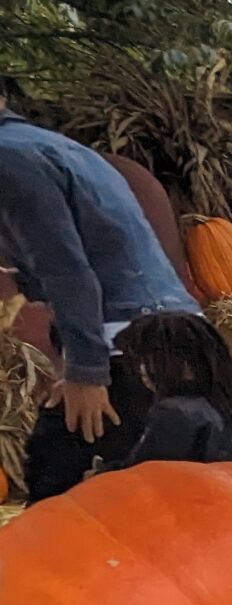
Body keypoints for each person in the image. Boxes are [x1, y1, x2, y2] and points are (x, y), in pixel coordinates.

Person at [1, 105, 201, 501]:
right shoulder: (53, 147)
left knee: (56, 486)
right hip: (171, 330)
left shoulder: (9, 159)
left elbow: (66, 270)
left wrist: (87, 371)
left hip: (126, 340)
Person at [109, 312, 232, 468]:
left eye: (147, 360)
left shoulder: (175, 412)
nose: (142, 369)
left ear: (184, 363)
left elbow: (146, 474)